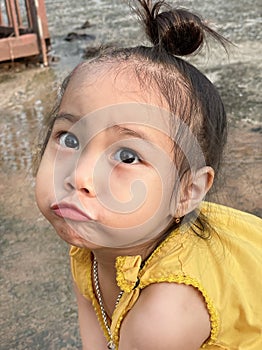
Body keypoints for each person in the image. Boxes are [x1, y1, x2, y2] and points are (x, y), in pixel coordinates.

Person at [35, 1, 262, 349]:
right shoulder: (92, 240)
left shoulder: (164, 317)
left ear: (187, 192)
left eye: (127, 156)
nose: (79, 176)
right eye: (69, 139)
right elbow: (93, 317)